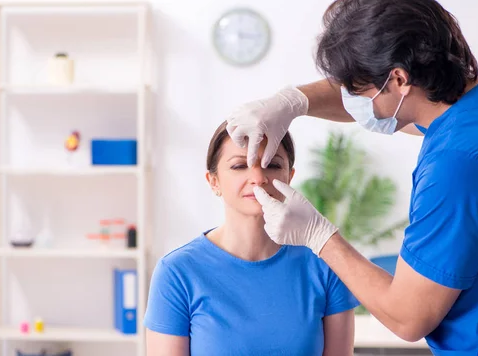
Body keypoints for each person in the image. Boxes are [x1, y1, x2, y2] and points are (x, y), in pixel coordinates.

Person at [225, 0, 478, 355]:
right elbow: (402, 114)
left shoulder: (459, 164)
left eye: (357, 91)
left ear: (398, 78)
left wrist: (319, 236)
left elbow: (409, 318)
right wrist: (293, 101)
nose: (351, 101)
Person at [143, 121, 359, 356]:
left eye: (273, 165)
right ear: (213, 181)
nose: (257, 177)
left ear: (289, 176)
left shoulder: (326, 265)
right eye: (238, 166)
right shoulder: (176, 272)